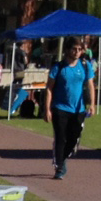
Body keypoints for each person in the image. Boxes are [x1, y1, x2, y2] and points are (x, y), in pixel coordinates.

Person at [42, 37, 95, 179]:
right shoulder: (59, 67)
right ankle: (59, 166)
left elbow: (90, 85)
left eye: (80, 49)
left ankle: (62, 158)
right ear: (67, 50)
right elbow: (49, 88)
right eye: (74, 49)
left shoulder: (85, 66)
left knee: (74, 138)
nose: (77, 52)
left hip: (78, 109)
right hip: (60, 108)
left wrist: (92, 104)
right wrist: (47, 109)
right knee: (60, 137)